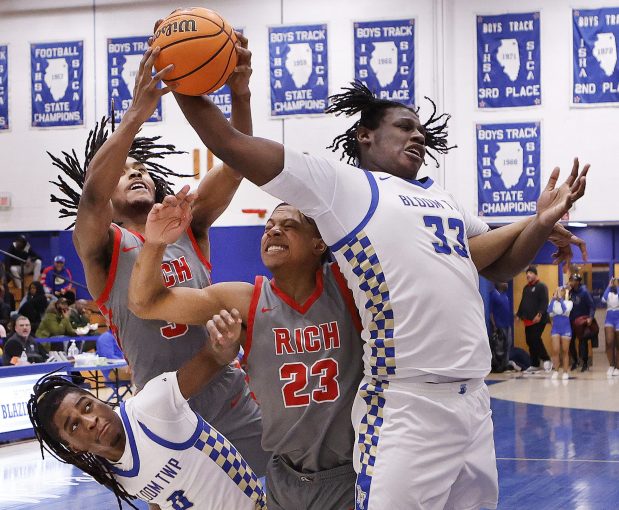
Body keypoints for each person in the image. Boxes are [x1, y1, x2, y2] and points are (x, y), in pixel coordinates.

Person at [167, 77, 588, 509]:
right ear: (364, 135)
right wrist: (180, 76)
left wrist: (537, 223)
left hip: (474, 401)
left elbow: (497, 264)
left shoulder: (443, 198)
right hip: (406, 402)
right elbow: (231, 143)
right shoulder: (341, 187)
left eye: (421, 130)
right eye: (405, 126)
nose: (418, 135)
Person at [47, 39, 268, 477]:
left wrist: (239, 95)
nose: (135, 173)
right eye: (124, 170)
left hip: (233, 401)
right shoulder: (103, 245)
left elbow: (237, 161)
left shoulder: (187, 221)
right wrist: (135, 115)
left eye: (141, 168)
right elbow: (90, 197)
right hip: (168, 417)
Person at [129, 197, 365, 509]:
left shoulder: (347, 285)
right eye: (269, 227)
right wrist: (155, 243)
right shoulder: (246, 300)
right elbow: (146, 304)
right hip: (284, 477)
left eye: (289, 225)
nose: (274, 231)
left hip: (348, 474)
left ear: (319, 243)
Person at [27, 314, 266, 510]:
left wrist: (227, 337)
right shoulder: (109, 470)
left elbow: (214, 356)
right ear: (74, 447)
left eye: (87, 406)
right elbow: (157, 498)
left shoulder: (151, 405)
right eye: (74, 426)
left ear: (97, 399)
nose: (90, 421)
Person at [517, 265, 551, 373]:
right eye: (527, 273)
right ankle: (535, 364)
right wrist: (518, 315)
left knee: (535, 339)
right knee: (530, 341)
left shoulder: (542, 286)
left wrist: (539, 314)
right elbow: (523, 302)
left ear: (535, 275)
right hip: (528, 320)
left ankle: (546, 360)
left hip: (539, 319)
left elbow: (544, 301)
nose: (528, 275)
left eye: (530, 273)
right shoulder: (526, 288)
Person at [568, 273, 596, 372]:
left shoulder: (584, 292)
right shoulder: (570, 292)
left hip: (582, 321)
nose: (570, 282)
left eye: (572, 280)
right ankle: (575, 361)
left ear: (578, 282)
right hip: (571, 320)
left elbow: (592, 306)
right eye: (570, 279)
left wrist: (591, 318)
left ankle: (584, 363)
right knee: (570, 341)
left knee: (583, 342)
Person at [547, 286, 573, 380]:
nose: (558, 293)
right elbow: (549, 311)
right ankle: (556, 370)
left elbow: (565, 310)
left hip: (566, 328)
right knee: (555, 350)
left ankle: (565, 371)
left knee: (565, 351)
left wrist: (561, 299)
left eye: (560, 291)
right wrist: (554, 299)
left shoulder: (569, 302)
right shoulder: (552, 302)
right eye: (556, 291)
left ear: (564, 293)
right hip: (556, 328)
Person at [489, 282, 512, 372]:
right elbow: (491, 312)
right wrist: (494, 325)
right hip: (499, 326)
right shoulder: (494, 294)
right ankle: (498, 366)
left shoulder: (505, 295)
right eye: (504, 282)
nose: (506, 284)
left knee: (508, 344)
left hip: (507, 325)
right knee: (499, 347)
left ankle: (505, 365)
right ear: (498, 283)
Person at [602, 277, 619, 377]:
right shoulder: (609, 293)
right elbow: (603, 299)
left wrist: (617, 286)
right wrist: (609, 286)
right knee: (609, 342)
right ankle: (611, 365)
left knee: (618, 344)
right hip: (609, 318)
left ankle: (618, 367)